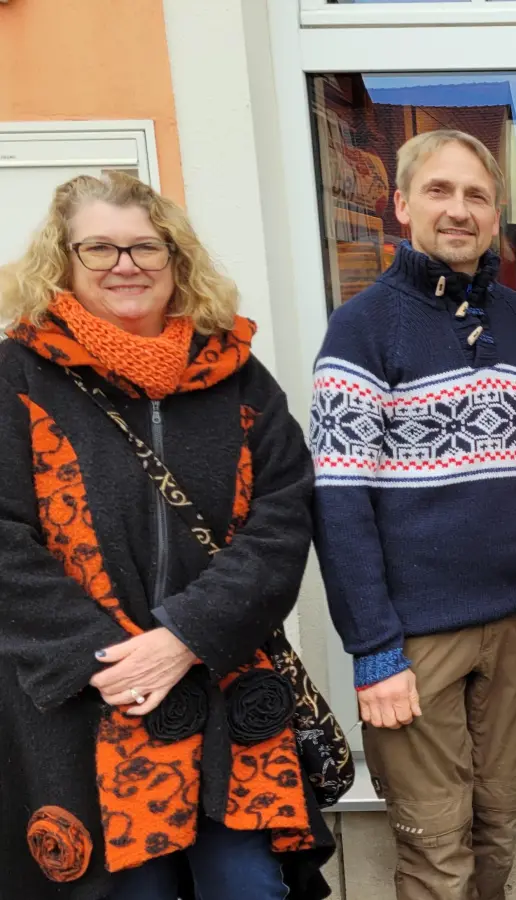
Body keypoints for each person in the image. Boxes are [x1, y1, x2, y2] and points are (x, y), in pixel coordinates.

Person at [0, 173, 334, 898]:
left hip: (221, 690)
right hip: (87, 703)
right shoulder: (16, 375)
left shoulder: (236, 374)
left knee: (248, 887)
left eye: (146, 247)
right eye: (99, 248)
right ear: (62, 261)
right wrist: (105, 657)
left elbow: (282, 518)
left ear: (176, 258)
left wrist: (184, 635)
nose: (126, 265)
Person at [310, 129, 516, 900]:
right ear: (401, 205)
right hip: (415, 636)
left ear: (496, 213)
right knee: (435, 845)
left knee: (497, 824)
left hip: (513, 622)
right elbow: (339, 501)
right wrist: (374, 649)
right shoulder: (362, 327)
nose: (459, 210)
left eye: (476, 195)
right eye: (439, 191)